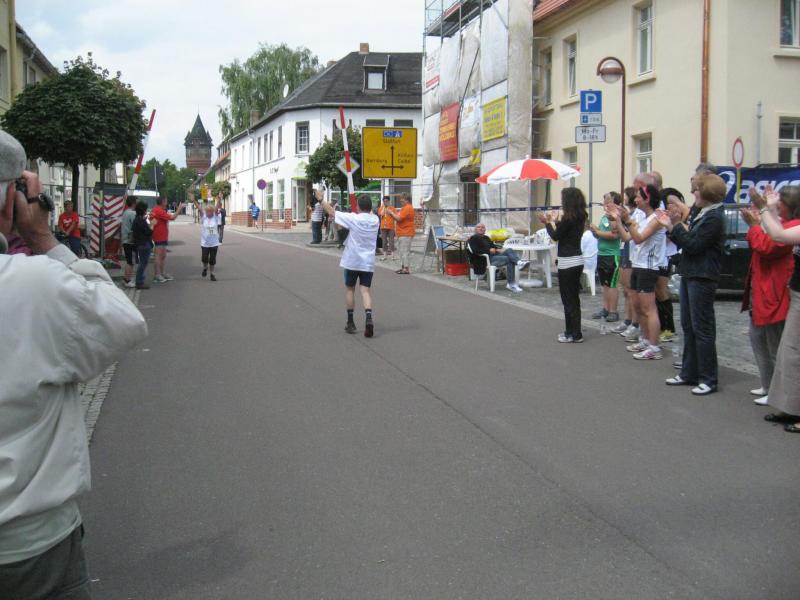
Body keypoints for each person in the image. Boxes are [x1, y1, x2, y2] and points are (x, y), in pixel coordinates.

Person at [0, 133, 148, 600]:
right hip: (27, 545)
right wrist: (43, 238)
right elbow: (122, 322)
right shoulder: (33, 285)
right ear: (10, 200)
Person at [657, 173, 726, 395]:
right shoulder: (703, 212)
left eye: (696, 189)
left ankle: (708, 378)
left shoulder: (714, 217)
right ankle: (689, 372)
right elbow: (687, 240)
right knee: (688, 325)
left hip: (702, 275)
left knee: (702, 327)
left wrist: (676, 225)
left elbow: (694, 245)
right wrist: (672, 225)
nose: (693, 193)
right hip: (691, 272)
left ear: (706, 193)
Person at [739, 187, 800, 406]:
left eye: (779, 202)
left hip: (775, 290)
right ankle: (768, 385)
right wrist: (765, 213)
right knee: (758, 337)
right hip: (763, 288)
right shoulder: (782, 221)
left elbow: (769, 245)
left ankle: (779, 393)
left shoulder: (792, 225)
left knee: (779, 345)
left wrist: (756, 224)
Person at [609, 184, 667, 360]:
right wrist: (619, 220)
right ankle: (645, 339)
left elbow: (639, 238)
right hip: (637, 264)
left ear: (647, 199)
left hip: (648, 267)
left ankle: (654, 347)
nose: (635, 199)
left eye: (639, 197)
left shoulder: (657, 218)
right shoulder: (643, 217)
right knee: (638, 307)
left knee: (649, 309)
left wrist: (627, 220)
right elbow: (628, 237)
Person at [321, 194, 380, 337]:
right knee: (365, 291)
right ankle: (368, 318)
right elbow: (368, 214)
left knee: (350, 290)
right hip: (367, 262)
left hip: (352, 260)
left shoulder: (354, 218)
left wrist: (321, 200)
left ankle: (350, 322)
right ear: (370, 207)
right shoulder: (375, 220)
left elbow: (332, 212)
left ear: (358, 207)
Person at [538, 188, 587, 343]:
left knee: (567, 299)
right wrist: (557, 221)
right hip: (578, 259)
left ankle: (571, 333)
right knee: (574, 298)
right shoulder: (581, 215)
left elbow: (556, 236)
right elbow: (567, 232)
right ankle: (576, 332)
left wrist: (547, 223)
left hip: (567, 261)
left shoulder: (568, 217)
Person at [611, 187, 640, 336]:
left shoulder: (636, 214)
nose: (623, 198)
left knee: (631, 289)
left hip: (631, 250)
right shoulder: (625, 213)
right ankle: (628, 320)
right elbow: (616, 231)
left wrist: (621, 219)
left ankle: (635, 322)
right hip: (623, 248)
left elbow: (628, 235)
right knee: (625, 288)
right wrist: (614, 218)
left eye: (625, 196)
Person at [467, 223, 527, 293]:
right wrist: (488, 250)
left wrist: (498, 249)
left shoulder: (486, 238)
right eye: (479, 227)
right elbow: (475, 250)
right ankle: (511, 284)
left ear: (485, 229)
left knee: (509, 250)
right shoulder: (473, 238)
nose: (481, 229)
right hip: (484, 260)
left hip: (493, 256)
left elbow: (493, 246)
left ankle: (519, 262)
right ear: (476, 229)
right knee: (510, 259)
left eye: (483, 227)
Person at [589, 191, 622, 322]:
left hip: (612, 255)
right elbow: (601, 234)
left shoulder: (615, 216)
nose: (605, 204)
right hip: (601, 254)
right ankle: (606, 308)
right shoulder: (604, 217)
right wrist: (595, 232)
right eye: (605, 201)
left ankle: (613, 311)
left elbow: (614, 234)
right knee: (605, 284)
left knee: (612, 284)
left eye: (608, 201)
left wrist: (598, 232)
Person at [150, 196, 185, 284]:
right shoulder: (158, 211)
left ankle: (161, 273)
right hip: (159, 236)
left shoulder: (156, 210)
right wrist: (179, 209)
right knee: (158, 256)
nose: (167, 203)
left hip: (162, 236)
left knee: (162, 256)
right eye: (166, 201)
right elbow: (172, 218)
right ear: (162, 202)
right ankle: (157, 275)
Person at [387, 193, 415, 274]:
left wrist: (391, 213)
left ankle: (406, 268)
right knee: (402, 251)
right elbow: (398, 217)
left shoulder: (407, 208)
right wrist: (393, 214)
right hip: (403, 232)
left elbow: (398, 218)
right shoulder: (405, 208)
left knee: (404, 251)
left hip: (406, 232)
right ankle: (403, 267)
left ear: (407, 200)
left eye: (402, 199)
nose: (400, 201)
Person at [195, 198, 223, 281]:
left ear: (212, 212)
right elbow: (200, 209)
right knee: (204, 259)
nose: (209, 213)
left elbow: (216, 207)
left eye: (210, 211)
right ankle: (205, 268)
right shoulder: (204, 218)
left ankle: (212, 274)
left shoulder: (215, 217)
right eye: (207, 211)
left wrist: (219, 199)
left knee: (212, 260)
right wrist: (194, 201)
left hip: (214, 243)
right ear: (206, 212)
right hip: (205, 243)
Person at [132, 201, 153, 289]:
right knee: (143, 263)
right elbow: (148, 232)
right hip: (144, 243)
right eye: (145, 209)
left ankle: (140, 280)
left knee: (142, 263)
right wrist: (152, 225)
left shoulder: (137, 219)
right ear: (143, 210)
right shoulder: (141, 220)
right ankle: (139, 282)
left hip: (139, 243)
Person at [120, 196, 137, 288]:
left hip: (125, 239)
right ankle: (127, 280)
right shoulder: (132, 213)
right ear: (133, 203)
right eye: (136, 202)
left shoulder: (125, 212)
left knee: (128, 261)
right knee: (130, 262)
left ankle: (125, 279)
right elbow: (136, 225)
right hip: (131, 240)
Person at [378, 195, 395, 260]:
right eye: (384, 201)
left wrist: (391, 212)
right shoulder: (381, 208)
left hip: (391, 226)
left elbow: (395, 216)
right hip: (383, 227)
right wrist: (383, 209)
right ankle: (385, 256)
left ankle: (392, 256)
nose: (385, 202)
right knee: (384, 241)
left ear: (389, 201)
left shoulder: (392, 208)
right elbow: (380, 215)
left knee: (391, 241)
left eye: (387, 201)